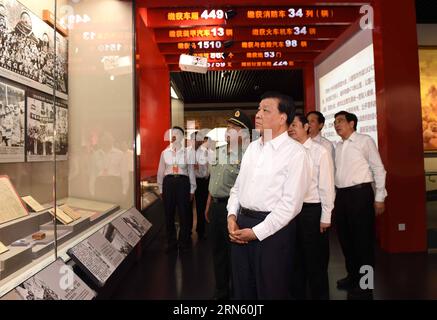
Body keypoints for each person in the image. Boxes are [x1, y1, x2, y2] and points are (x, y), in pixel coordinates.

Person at [227, 92, 311, 299]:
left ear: (283, 118)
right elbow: (237, 188)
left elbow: (290, 206)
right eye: (258, 109)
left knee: (271, 290)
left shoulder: (296, 153)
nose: (258, 114)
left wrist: (256, 232)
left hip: (273, 230)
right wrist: (231, 216)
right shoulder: (253, 148)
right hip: (241, 225)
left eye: (266, 110)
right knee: (242, 289)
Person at [333, 111, 387, 300]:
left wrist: (380, 197)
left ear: (352, 123)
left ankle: (366, 284)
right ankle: (353, 277)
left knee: (363, 243)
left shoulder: (365, 141)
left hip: (361, 194)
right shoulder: (338, 146)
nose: (336, 125)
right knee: (346, 240)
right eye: (335, 122)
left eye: (340, 121)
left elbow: (379, 169)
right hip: (342, 196)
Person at [205, 109, 252, 300]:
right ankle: (221, 290)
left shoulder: (249, 155)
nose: (228, 131)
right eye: (228, 127)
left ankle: (238, 291)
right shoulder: (218, 152)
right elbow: (213, 181)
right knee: (218, 252)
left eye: (233, 128)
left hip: (234, 210)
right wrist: (208, 204)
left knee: (235, 253)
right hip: (216, 207)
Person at [288, 113, 335, 300]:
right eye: (289, 126)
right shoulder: (289, 152)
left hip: (312, 212)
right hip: (292, 212)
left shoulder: (320, 151)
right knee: (295, 259)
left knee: (315, 260)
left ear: (306, 127)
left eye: (294, 125)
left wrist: (326, 217)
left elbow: (327, 186)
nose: (290, 129)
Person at [157, 126, 196, 253]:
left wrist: (192, 190)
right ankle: (171, 242)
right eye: (172, 134)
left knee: (184, 214)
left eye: (177, 134)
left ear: (181, 136)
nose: (174, 136)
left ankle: (183, 242)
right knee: (169, 214)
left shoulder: (188, 153)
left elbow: (190, 171)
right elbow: (160, 171)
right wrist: (161, 189)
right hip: (168, 183)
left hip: (183, 183)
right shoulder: (164, 152)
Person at [193, 131, 211, 240]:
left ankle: (202, 229)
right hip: (195, 181)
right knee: (196, 207)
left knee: (204, 206)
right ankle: (197, 230)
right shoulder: (190, 152)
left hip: (205, 181)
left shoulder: (206, 151)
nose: (199, 141)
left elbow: (208, 167)